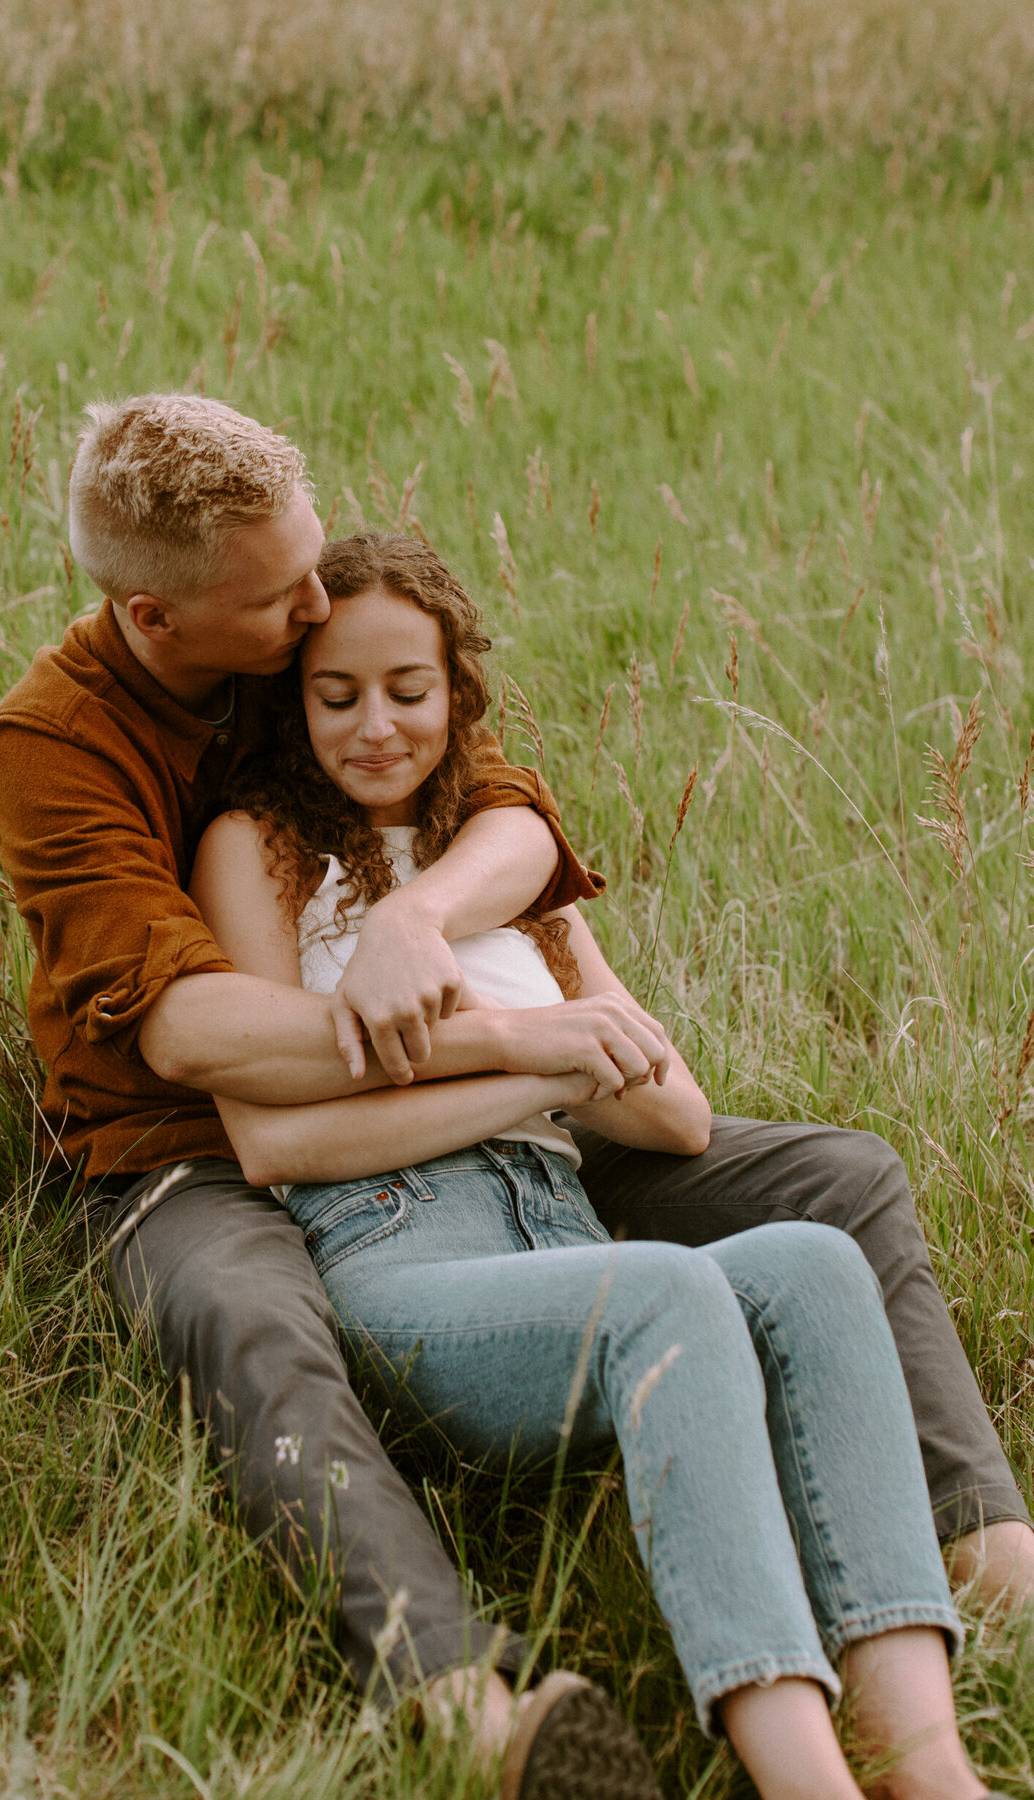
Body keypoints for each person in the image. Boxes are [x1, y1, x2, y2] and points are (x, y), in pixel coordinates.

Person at [0, 394, 1030, 1785]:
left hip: (488, 1131)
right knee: (254, 1323)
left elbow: (496, 797)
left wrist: (422, 931)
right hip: (189, 1141)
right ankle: (461, 1695)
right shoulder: (59, 741)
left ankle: (971, 1571)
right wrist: (512, 1047)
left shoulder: (303, 645)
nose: (318, 606)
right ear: (162, 622)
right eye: (288, 603)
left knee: (834, 1190)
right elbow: (195, 1040)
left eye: (318, 576)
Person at [191, 530, 998, 1800]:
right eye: (335, 695)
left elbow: (677, 1119)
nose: (376, 726)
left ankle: (923, 1758)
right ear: (293, 702)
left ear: (458, 692)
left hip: (557, 1228)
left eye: (408, 690)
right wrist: (540, 1066)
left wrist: (577, 1047)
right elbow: (276, 1141)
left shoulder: (510, 868)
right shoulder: (261, 850)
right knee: (669, 1290)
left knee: (815, 1259)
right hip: (403, 1251)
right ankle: (803, 1777)